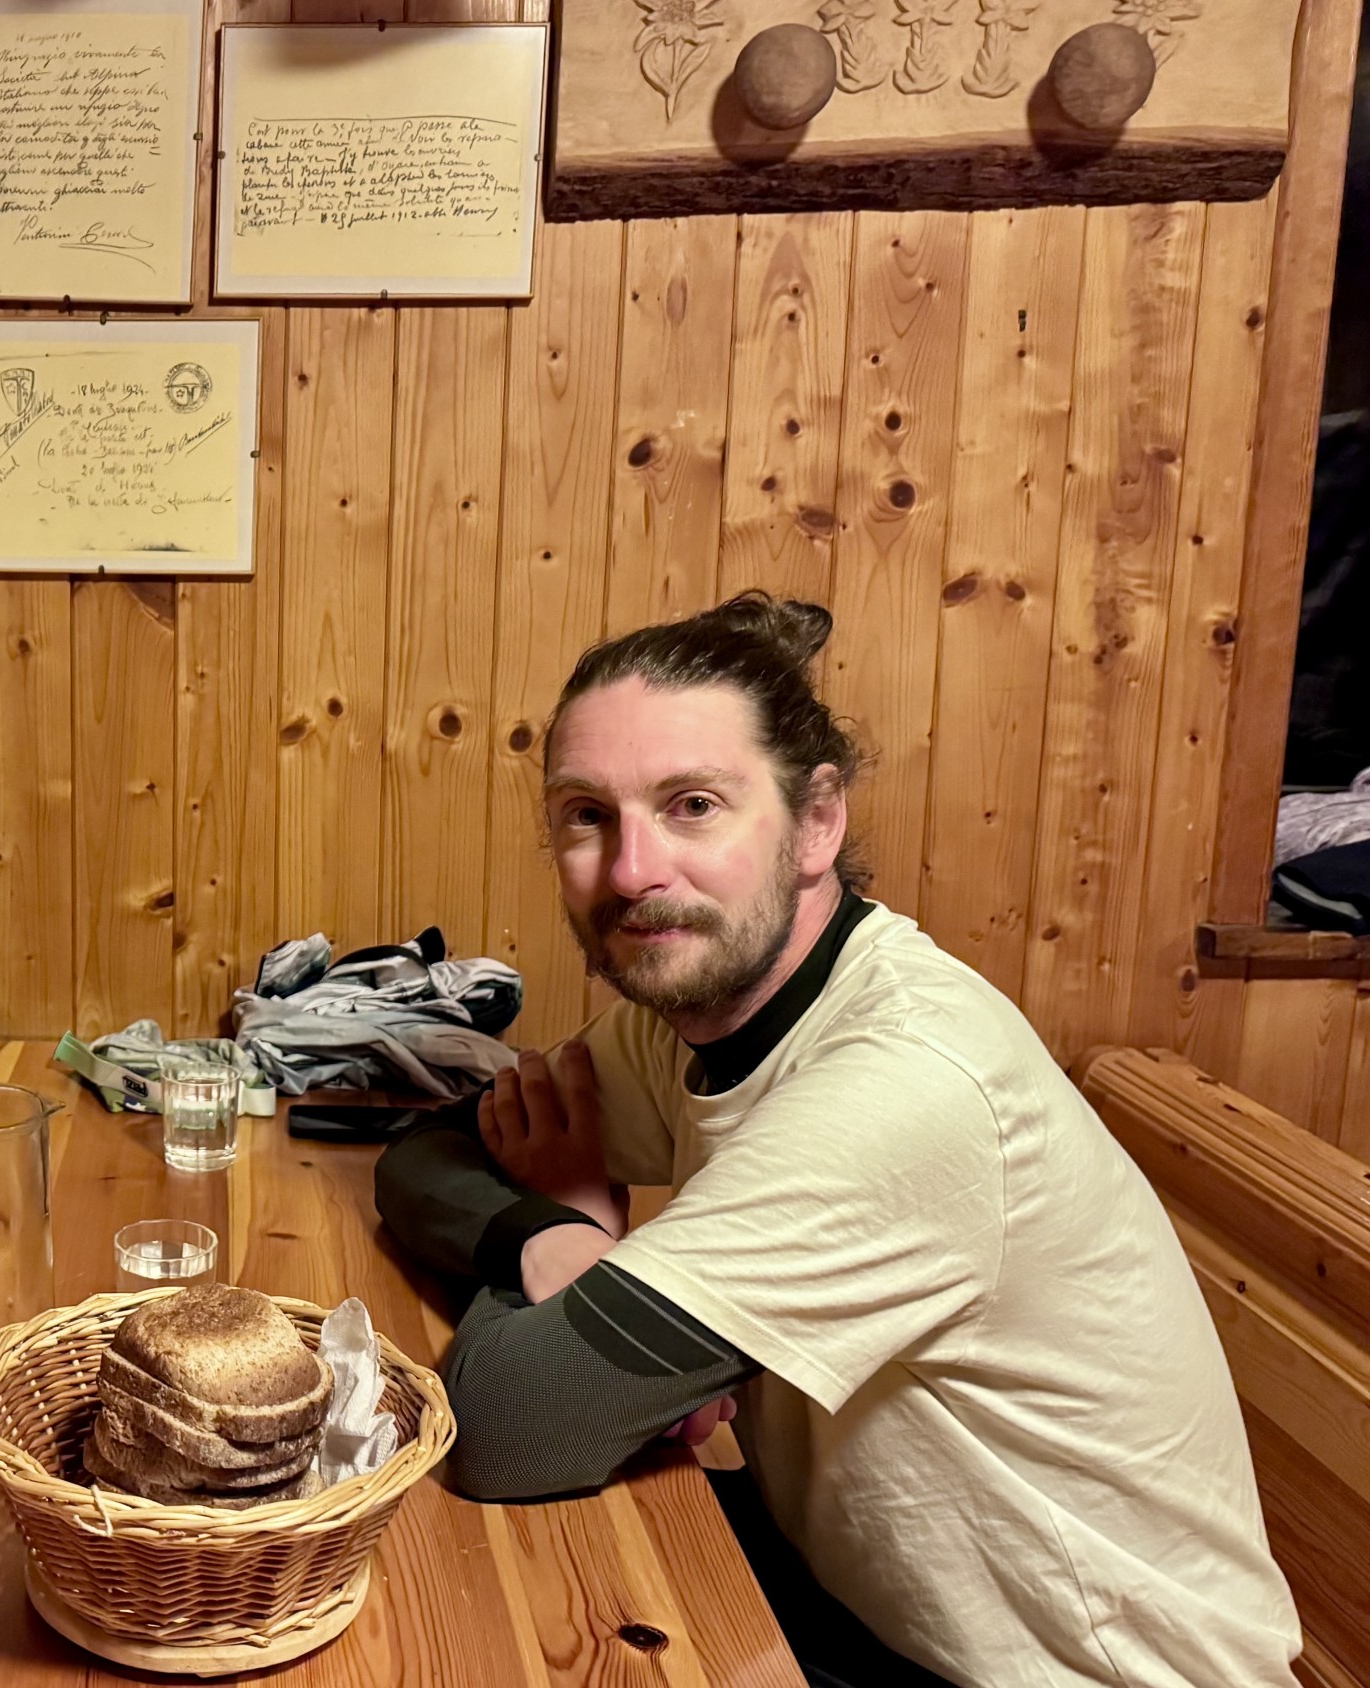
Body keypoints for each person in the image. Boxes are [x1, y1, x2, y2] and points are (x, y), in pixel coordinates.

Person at [374, 593, 1301, 1688]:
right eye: (588, 816)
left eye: (693, 805)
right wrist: (553, 1236)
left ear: (817, 822)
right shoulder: (697, 1007)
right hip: (852, 1601)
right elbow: (424, 1157)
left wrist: (579, 1218)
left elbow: (508, 1423)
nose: (631, 870)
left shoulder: (905, 1081)